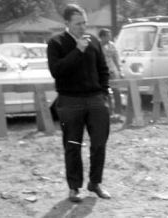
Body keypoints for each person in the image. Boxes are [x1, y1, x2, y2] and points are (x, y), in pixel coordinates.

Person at [47, 4, 111, 203]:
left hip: (95, 99)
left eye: (85, 23)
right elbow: (57, 71)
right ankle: (74, 188)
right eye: (78, 24)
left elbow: (103, 68)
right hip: (69, 101)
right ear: (66, 23)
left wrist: (104, 92)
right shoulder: (56, 43)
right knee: (73, 144)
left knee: (99, 143)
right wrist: (77, 51)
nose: (83, 28)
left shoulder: (93, 41)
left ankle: (95, 183)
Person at [99, 28, 123, 116]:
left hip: (111, 71)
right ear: (102, 37)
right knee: (105, 92)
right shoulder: (97, 46)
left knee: (116, 91)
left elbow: (116, 58)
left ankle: (118, 112)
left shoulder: (111, 45)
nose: (110, 37)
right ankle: (109, 112)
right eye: (108, 35)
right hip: (101, 73)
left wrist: (120, 71)